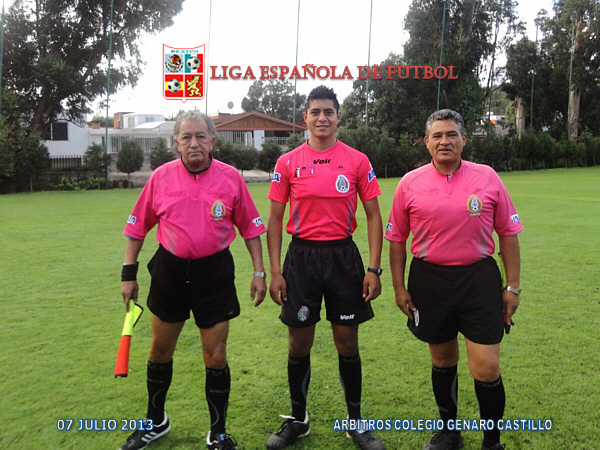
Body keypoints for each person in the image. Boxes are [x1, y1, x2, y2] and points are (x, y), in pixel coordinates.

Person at [117, 111, 267, 450]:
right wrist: (128, 274)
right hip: (169, 273)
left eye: (200, 136)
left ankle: (218, 433)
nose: (194, 143)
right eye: (186, 137)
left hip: (214, 274)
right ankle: (156, 421)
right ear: (176, 143)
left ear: (212, 141)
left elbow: (251, 229)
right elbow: (137, 227)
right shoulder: (160, 178)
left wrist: (259, 272)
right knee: (159, 350)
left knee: (216, 355)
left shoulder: (231, 178)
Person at [386, 109, 523, 450]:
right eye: (437, 135)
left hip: (478, 279)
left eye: (451, 134)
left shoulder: (487, 177)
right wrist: (399, 287)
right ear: (426, 142)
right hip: (429, 280)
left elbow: (508, 234)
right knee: (443, 360)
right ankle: (450, 432)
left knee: (486, 368)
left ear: (464, 139)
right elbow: (397, 239)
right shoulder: (409, 183)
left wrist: (512, 287)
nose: (444, 141)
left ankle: (492, 443)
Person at [266, 85, 385, 450]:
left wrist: (374, 269)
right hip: (301, 259)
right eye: (315, 112)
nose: (321, 118)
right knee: (299, 341)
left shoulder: (357, 160)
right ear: (305, 117)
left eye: (328, 112)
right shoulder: (287, 162)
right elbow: (275, 219)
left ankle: (355, 422)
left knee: (347, 342)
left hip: (342, 258)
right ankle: (298, 419)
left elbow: (374, 216)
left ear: (338, 116)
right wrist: (275, 271)